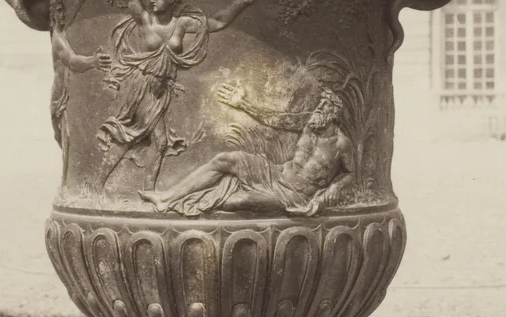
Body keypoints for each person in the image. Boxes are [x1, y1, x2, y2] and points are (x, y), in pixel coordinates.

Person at [96, 0, 279, 190]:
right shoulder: (145, 20)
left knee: (151, 141)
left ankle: (139, 191)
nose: (151, 0)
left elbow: (218, 22)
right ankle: (116, 187)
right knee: (141, 138)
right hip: (141, 86)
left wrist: (242, 1)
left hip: (160, 91)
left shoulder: (181, 24)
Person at [139, 82, 354, 217]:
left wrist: (337, 186)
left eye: (324, 106)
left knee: (239, 201)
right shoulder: (309, 124)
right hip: (275, 174)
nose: (318, 108)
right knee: (225, 159)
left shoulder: (341, 144)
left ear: (334, 114)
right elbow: (276, 119)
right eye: (319, 104)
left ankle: (191, 204)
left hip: (294, 196)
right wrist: (243, 104)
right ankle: (167, 198)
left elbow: (351, 173)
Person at [49, 0, 109, 183]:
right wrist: (93, 61)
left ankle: (69, 179)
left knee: (67, 135)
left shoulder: (61, 28)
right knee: (63, 135)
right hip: (59, 95)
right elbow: (72, 62)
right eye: (59, 11)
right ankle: (68, 180)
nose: (63, 15)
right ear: (52, 15)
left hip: (66, 91)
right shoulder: (58, 39)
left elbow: (71, 14)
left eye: (63, 11)